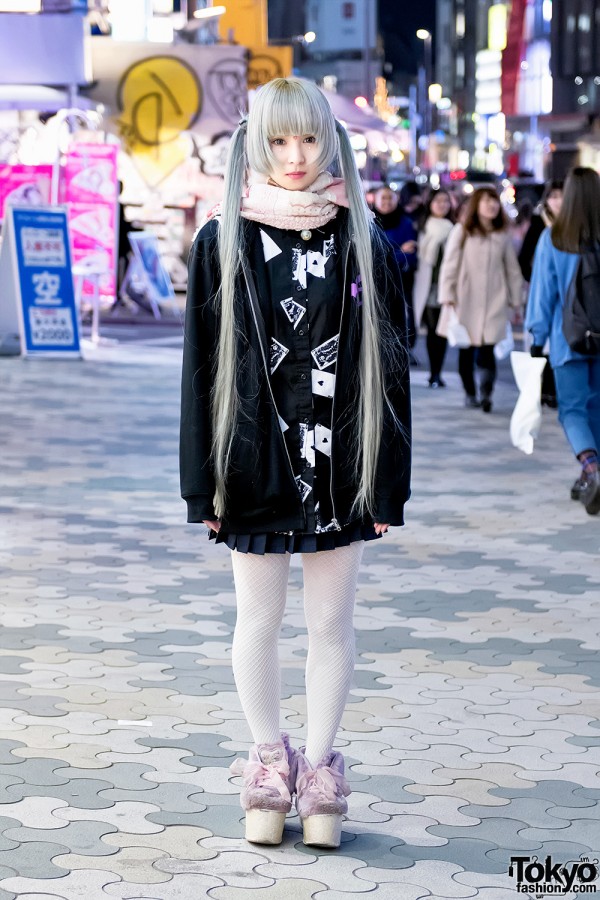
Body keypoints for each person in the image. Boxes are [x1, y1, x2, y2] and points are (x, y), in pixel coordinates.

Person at [180, 77, 411, 849]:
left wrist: (390, 484)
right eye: (277, 140)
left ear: (331, 141)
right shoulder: (222, 240)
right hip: (252, 464)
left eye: (309, 139)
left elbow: (393, 372)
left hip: (342, 467)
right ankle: (268, 768)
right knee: (259, 618)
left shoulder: (365, 241)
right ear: (254, 142)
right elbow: (202, 372)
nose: (294, 156)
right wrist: (198, 482)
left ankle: (319, 775)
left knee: (331, 624)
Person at [526, 166, 600, 515]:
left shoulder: (554, 237)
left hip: (567, 339)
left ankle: (591, 468)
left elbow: (543, 296)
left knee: (572, 410)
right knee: (596, 408)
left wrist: (536, 339)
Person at [437, 187, 523, 412]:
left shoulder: (502, 234)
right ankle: (470, 392)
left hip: (495, 299)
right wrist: (447, 295)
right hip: (466, 299)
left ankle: (486, 392)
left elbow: (512, 270)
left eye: (495, 201)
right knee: (466, 349)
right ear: (477, 204)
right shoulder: (462, 230)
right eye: (487, 201)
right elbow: (450, 265)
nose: (492, 205)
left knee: (487, 349)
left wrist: (516, 301)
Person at [518, 180, 564, 409]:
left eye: (561, 196)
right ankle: (544, 389)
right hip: (540, 290)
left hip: (564, 299)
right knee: (540, 340)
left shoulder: (575, 226)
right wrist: (534, 280)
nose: (557, 201)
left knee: (556, 343)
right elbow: (524, 256)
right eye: (553, 196)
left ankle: (553, 390)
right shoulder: (539, 224)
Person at [413, 189, 455, 387]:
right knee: (432, 330)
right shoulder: (422, 228)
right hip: (427, 286)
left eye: (445, 201)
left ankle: (438, 372)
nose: (442, 205)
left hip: (447, 285)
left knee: (443, 330)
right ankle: (433, 374)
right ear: (430, 203)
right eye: (438, 201)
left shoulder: (454, 229)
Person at [372, 184, 419, 358]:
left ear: (396, 199)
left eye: (389, 198)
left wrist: (389, 252)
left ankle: (405, 349)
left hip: (401, 278)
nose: (386, 202)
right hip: (375, 279)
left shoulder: (405, 222)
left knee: (403, 313)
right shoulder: (368, 222)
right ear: (375, 200)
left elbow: (411, 256)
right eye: (382, 198)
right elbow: (371, 254)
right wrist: (398, 251)